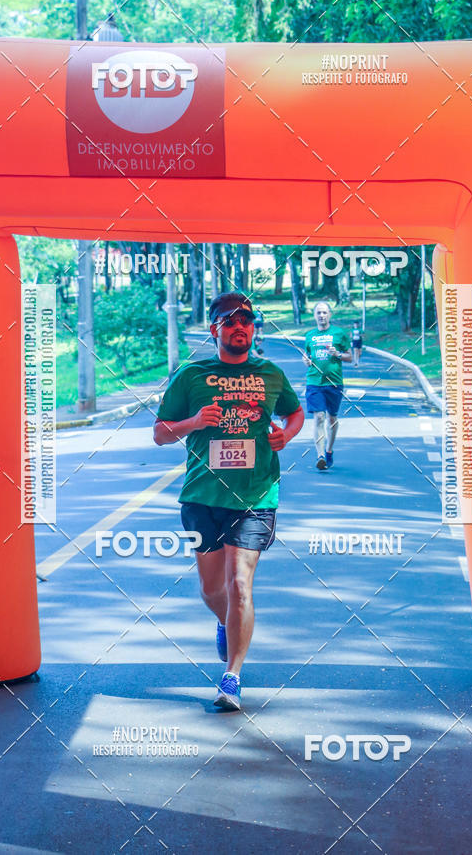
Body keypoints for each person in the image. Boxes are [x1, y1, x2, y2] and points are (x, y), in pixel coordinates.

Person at [153, 292, 304, 711]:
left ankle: (231, 678)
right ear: (214, 328)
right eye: (230, 320)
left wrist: (286, 436)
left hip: (256, 495)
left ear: (253, 329)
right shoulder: (191, 375)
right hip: (202, 495)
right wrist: (194, 421)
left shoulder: (270, 374)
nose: (241, 327)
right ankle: (224, 622)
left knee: (240, 584)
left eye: (248, 321)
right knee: (211, 587)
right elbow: (161, 433)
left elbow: (295, 412)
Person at [303, 301, 352, 471]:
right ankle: (320, 456)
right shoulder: (309, 336)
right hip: (314, 382)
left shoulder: (339, 334)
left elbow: (350, 357)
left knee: (332, 418)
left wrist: (337, 354)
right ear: (314, 316)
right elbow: (307, 356)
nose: (322, 316)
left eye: (324, 312)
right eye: (319, 313)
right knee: (319, 417)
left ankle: (329, 450)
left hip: (334, 382)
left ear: (330, 315)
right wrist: (306, 361)